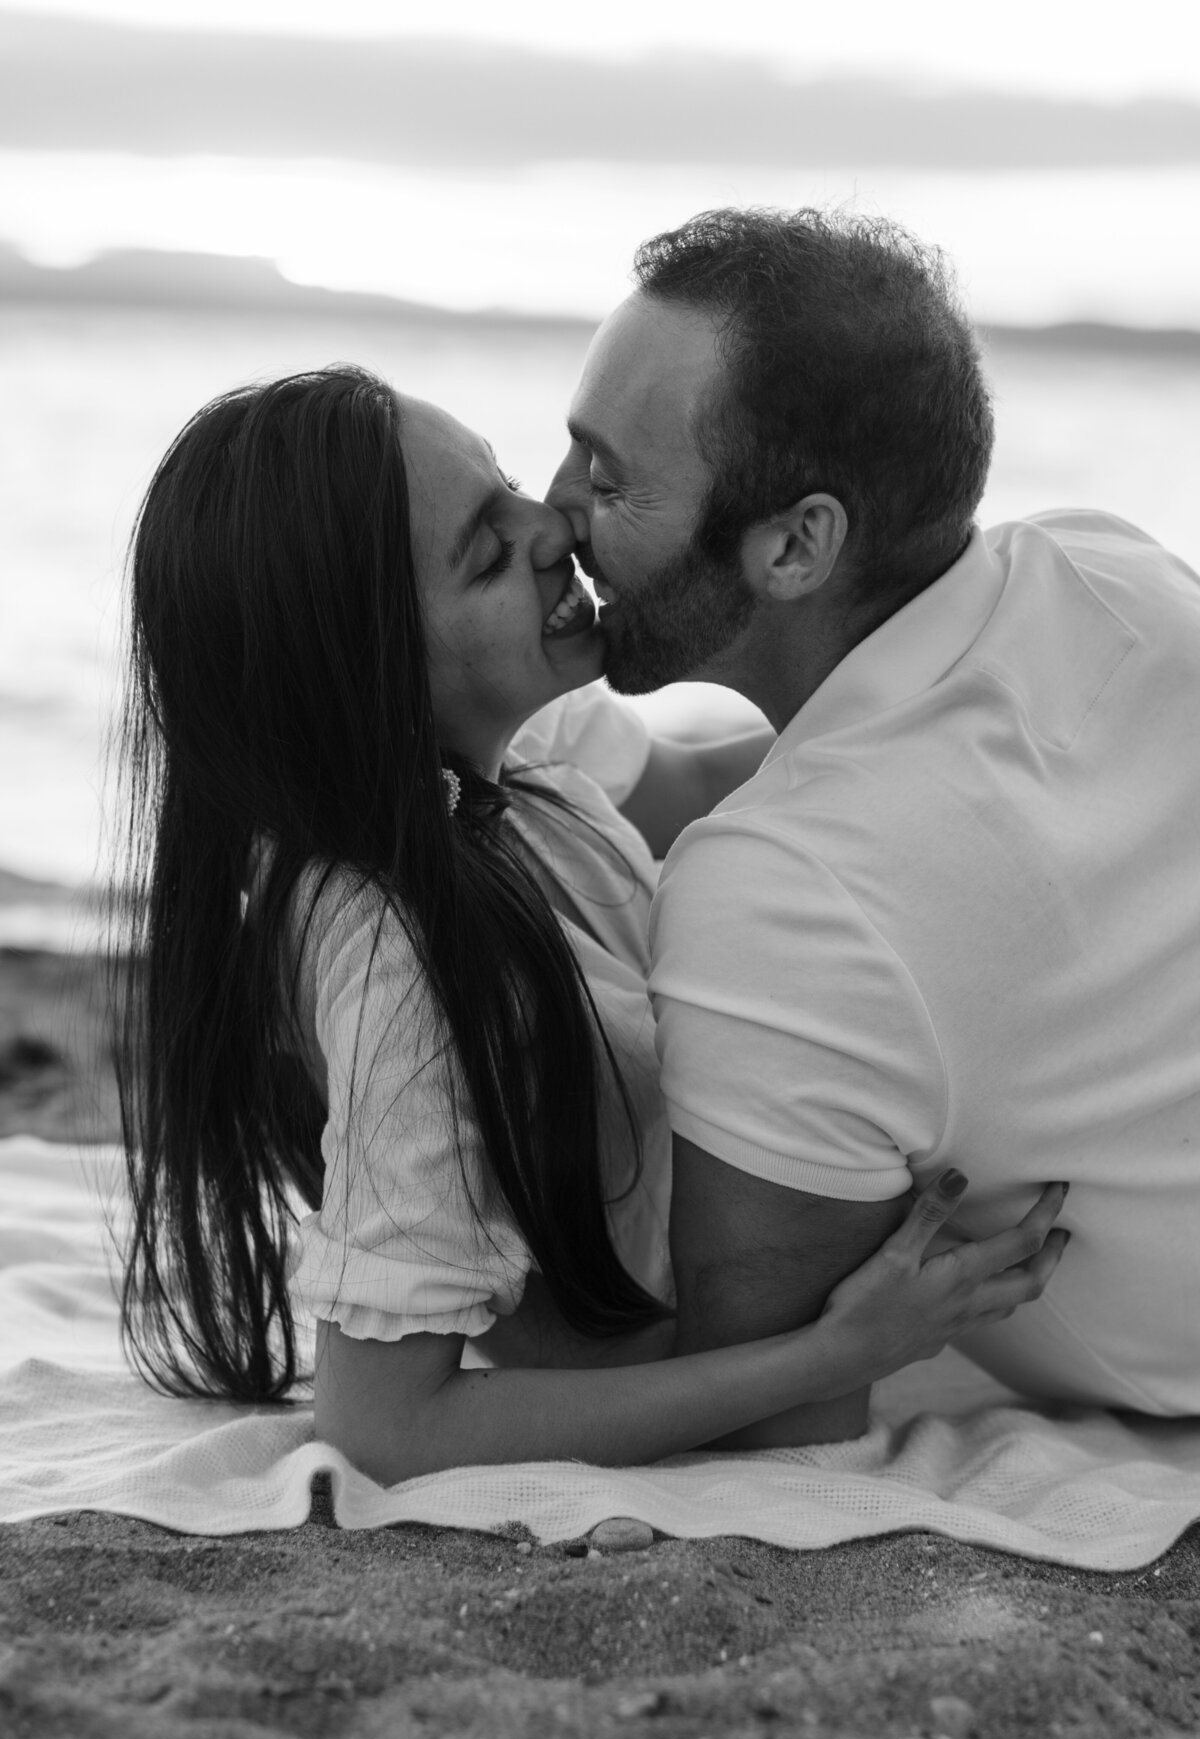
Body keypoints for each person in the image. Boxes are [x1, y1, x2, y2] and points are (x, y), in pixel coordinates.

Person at [112, 366, 1066, 1486]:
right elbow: (382, 1427)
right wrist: (827, 1354)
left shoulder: (506, 760)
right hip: (710, 1358)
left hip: (767, 1261)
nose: (553, 526)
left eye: (510, 486)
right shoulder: (396, 962)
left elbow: (717, 775)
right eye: (485, 548)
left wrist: (966, 675)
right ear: (372, 671)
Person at [546, 205, 1200, 1446]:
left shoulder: (787, 892)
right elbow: (796, 788)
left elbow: (767, 1409)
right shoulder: (1098, 569)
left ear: (797, 543)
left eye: (610, 477)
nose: (554, 507)